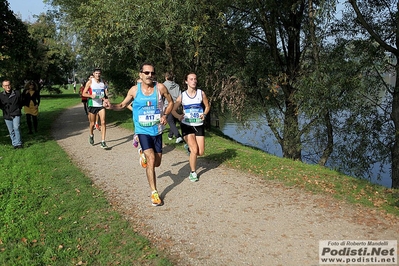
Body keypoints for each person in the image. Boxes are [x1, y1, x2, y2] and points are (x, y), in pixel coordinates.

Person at [109, 62, 174, 206]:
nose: (150, 75)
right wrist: (111, 106)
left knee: (157, 162)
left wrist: (165, 115)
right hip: (142, 131)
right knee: (151, 160)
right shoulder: (134, 90)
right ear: (140, 74)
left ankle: (142, 154)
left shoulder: (160, 88)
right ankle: (154, 193)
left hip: (156, 131)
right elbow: (122, 105)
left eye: (152, 73)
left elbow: (171, 102)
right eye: (147, 73)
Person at [171, 72, 210, 182]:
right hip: (187, 125)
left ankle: (188, 148)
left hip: (199, 124)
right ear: (186, 81)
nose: (194, 81)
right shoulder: (182, 96)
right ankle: (193, 172)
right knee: (194, 149)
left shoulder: (201, 94)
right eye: (191, 79)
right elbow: (173, 110)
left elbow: (207, 106)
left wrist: (205, 114)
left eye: (195, 79)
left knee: (200, 152)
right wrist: (179, 116)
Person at [82, 68, 110, 149]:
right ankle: (91, 135)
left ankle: (103, 141)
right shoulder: (90, 82)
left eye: (99, 73)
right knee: (92, 123)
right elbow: (84, 93)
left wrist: (106, 99)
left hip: (101, 105)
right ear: (93, 74)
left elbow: (104, 93)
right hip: (92, 104)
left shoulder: (102, 82)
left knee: (103, 122)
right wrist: (91, 96)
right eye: (96, 73)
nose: (98, 75)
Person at [0, 80, 23, 149]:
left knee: (16, 127)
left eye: (9, 85)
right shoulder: (1, 95)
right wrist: (4, 109)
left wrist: (18, 108)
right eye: (6, 85)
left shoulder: (17, 93)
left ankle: (19, 143)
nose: (8, 87)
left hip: (16, 113)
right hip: (7, 114)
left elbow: (21, 101)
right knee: (11, 130)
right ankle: (15, 144)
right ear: (3, 87)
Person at [163, 71, 183, 143]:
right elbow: (180, 95)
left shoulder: (163, 85)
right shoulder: (177, 85)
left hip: (168, 105)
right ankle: (170, 135)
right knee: (173, 121)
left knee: (170, 121)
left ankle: (178, 136)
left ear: (166, 77)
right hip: (177, 104)